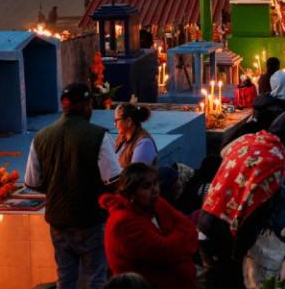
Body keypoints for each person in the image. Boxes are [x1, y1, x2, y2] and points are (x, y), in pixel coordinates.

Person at [25, 83, 122, 289]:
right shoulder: (98, 136)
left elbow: (32, 182)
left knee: (65, 279)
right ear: (87, 105)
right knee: (95, 278)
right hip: (91, 221)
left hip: (58, 222)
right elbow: (113, 179)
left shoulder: (41, 136)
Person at [197, 130, 285, 289]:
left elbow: (223, 152)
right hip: (223, 235)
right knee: (226, 279)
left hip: (205, 222)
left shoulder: (248, 145)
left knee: (212, 275)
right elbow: (251, 223)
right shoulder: (266, 178)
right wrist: (239, 257)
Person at [100, 163, 197, 289]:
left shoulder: (155, 203)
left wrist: (176, 238)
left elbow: (189, 227)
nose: (155, 190)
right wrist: (181, 239)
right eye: (146, 186)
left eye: (155, 183)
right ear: (131, 193)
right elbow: (166, 251)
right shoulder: (123, 222)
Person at [114, 103, 157, 168]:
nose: (115, 124)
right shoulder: (122, 137)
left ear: (129, 121)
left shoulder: (144, 144)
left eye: (116, 120)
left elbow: (136, 176)